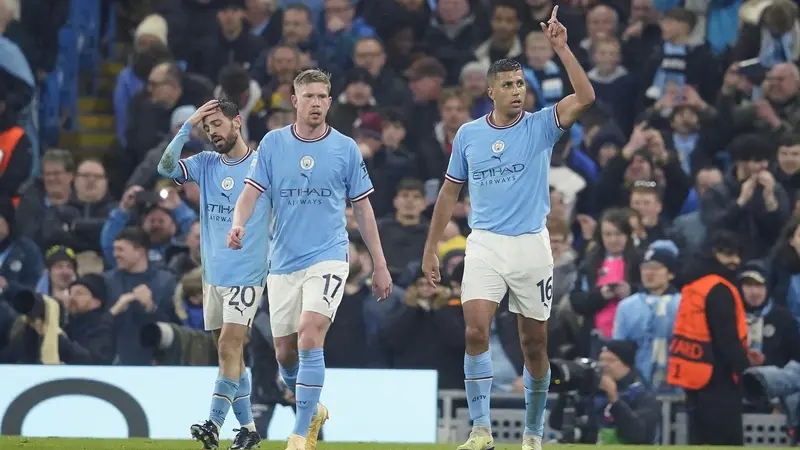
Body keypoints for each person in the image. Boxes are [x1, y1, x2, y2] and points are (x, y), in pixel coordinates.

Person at [420, 7, 595, 450]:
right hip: (485, 244)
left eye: (521, 84)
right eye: (509, 85)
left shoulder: (541, 126)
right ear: (491, 91)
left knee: (534, 345)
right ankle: (481, 430)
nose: (518, 91)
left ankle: (533, 432)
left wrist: (562, 48)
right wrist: (429, 248)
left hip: (532, 247)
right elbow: (447, 194)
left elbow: (586, 97)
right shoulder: (468, 135)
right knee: (475, 330)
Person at [227, 69, 393, 450]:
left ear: (330, 102)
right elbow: (250, 193)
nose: (316, 103)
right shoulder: (272, 144)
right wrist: (238, 224)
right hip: (283, 261)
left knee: (310, 332)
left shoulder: (345, 148)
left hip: (329, 257)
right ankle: (313, 409)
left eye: (323, 97)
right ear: (295, 101)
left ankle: (300, 433)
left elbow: (363, 210)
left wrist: (379, 264)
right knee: (284, 352)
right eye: (309, 96)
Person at [156, 98, 271, 450]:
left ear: (237, 122)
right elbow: (166, 168)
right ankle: (249, 430)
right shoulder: (206, 163)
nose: (212, 133)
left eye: (217, 124)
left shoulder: (262, 165)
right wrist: (187, 126)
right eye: (207, 129)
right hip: (214, 273)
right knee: (230, 355)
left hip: (248, 271)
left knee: (228, 345)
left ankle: (213, 424)